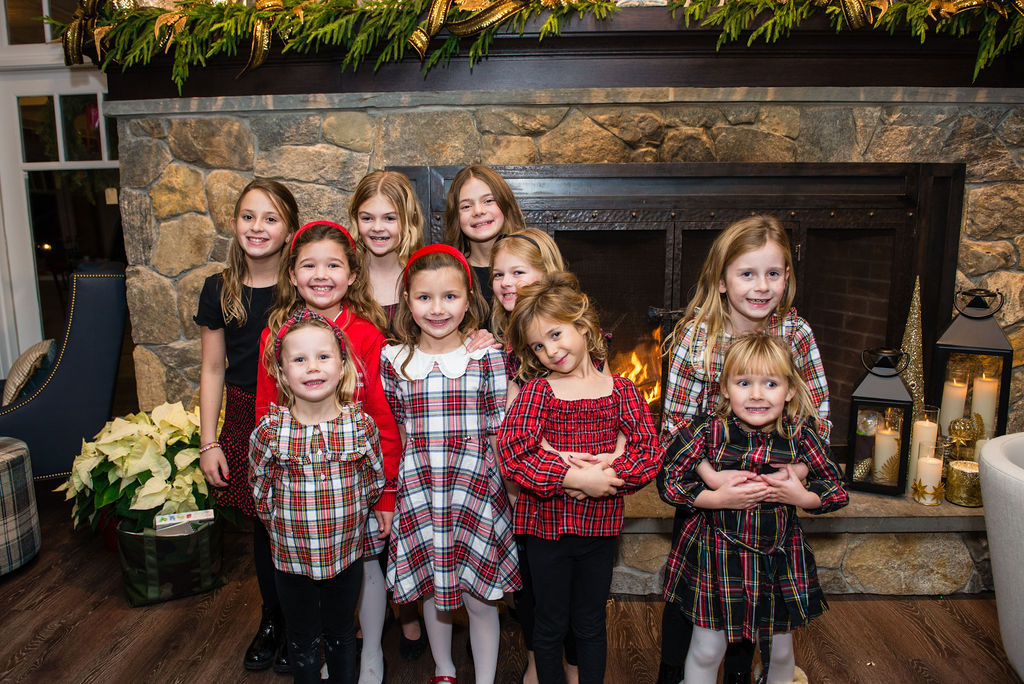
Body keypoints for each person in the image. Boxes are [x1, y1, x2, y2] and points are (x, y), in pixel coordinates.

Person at [657, 215, 830, 684]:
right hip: (709, 491)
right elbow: (676, 426)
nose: (761, 286)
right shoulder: (698, 337)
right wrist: (715, 483)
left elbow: (818, 418)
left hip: (773, 495)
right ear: (721, 280)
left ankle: (742, 672)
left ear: (787, 277)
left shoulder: (796, 333)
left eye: (773, 273)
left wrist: (793, 476)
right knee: (697, 610)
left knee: (760, 601)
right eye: (747, 274)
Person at [254, 221, 404, 682]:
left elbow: (382, 421)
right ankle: (312, 652)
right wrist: (273, 512)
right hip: (297, 503)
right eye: (309, 266)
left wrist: (385, 494)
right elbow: (264, 414)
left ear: (352, 274)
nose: (321, 275)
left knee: (364, 574)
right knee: (303, 606)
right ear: (292, 275)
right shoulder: (274, 336)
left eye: (333, 265)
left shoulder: (367, 335)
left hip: (352, 497)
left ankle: (370, 647)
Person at [498, 271, 662, 684]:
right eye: (538, 345)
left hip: (598, 532)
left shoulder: (622, 391)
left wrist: (609, 473)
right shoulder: (537, 393)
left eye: (556, 335)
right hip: (545, 531)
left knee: (589, 622)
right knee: (550, 623)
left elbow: (647, 451)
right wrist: (573, 478)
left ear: (583, 326)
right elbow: (514, 452)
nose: (550, 351)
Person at [658, 332, 848, 684]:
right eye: (744, 383)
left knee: (781, 652)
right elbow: (669, 479)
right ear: (725, 389)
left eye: (771, 384)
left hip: (777, 561)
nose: (757, 394)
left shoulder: (801, 434)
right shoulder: (707, 430)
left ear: (790, 391)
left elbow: (836, 488)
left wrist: (802, 497)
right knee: (706, 650)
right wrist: (715, 497)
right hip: (718, 557)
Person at [381, 244, 520, 684]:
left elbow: (498, 430)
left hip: (476, 493)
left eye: (450, 297)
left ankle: (485, 677)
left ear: (468, 300)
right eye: (425, 297)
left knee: (480, 596)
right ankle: (443, 668)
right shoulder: (395, 360)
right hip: (420, 493)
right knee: (430, 589)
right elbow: (398, 432)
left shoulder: (486, 357)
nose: (437, 309)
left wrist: (511, 496)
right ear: (407, 300)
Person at [194, 178, 299, 672]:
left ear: (289, 229)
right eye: (248, 216)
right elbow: (212, 368)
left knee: (302, 520)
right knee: (264, 526)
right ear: (235, 222)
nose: (257, 227)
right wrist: (208, 441)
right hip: (243, 413)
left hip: (298, 411)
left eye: (270, 218)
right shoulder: (219, 289)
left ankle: (304, 623)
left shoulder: (304, 285)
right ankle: (272, 618)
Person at [250, 310, 385, 684]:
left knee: (342, 634)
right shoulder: (270, 432)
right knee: (302, 640)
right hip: (291, 558)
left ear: (342, 367)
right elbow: (260, 488)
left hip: (346, 554)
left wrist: (351, 518)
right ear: (282, 372)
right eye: (299, 359)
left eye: (323, 357)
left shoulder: (361, 426)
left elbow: (373, 481)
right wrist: (282, 527)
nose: (312, 367)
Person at [489, 229, 580, 684]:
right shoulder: (498, 346)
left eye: (518, 272)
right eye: (497, 274)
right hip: (518, 484)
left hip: (570, 482)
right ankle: (535, 658)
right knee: (526, 580)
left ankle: (573, 662)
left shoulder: (572, 339)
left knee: (569, 585)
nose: (506, 282)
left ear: (547, 275)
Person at [444, 164, 526, 313]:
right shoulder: (450, 273)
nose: (478, 211)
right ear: (456, 217)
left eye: (488, 201)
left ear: (505, 205)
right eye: (466, 206)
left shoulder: (529, 268)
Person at [349, 170, 425, 327]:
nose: (377, 228)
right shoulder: (345, 276)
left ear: (409, 218)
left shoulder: (426, 275)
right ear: (356, 219)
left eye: (389, 218)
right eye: (367, 218)